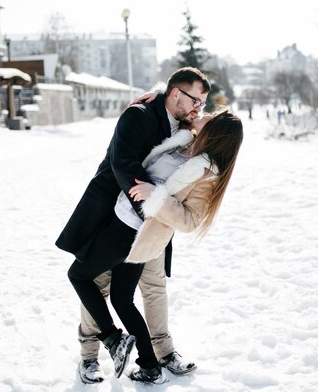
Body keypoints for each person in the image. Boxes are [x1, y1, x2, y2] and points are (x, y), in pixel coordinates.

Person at [56, 67, 211, 383]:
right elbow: (122, 164)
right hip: (117, 216)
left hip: (152, 224)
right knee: (98, 284)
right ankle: (90, 356)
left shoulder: (184, 125)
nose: (199, 108)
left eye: (203, 104)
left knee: (152, 286)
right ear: (176, 94)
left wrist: (158, 214)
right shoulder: (139, 115)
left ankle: (158, 354)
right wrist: (149, 208)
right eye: (196, 100)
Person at [66, 108, 243, 383]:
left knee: (78, 275)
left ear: (214, 132)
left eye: (210, 114)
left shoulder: (206, 173)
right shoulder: (183, 140)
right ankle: (149, 367)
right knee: (121, 298)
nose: (202, 111)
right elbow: (166, 106)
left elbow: (189, 220)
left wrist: (155, 196)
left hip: (130, 230)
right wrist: (151, 96)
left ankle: (114, 340)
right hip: (121, 221)